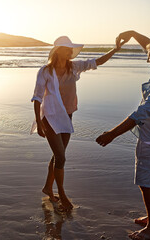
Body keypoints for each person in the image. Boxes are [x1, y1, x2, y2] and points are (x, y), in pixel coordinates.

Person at [96, 30, 150, 240]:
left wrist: (112, 134)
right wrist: (133, 33)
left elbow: (140, 114)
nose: (147, 60)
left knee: (146, 183)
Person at [31, 36, 122, 212]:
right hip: (49, 117)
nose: (70, 52)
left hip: (67, 115)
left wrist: (115, 49)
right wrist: (39, 123)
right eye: (67, 49)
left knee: (59, 154)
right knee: (61, 157)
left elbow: (97, 61)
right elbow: (36, 97)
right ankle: (62, 195)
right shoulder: (45, 71)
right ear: (59, 51)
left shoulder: (74, 67)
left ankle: (48, 187)